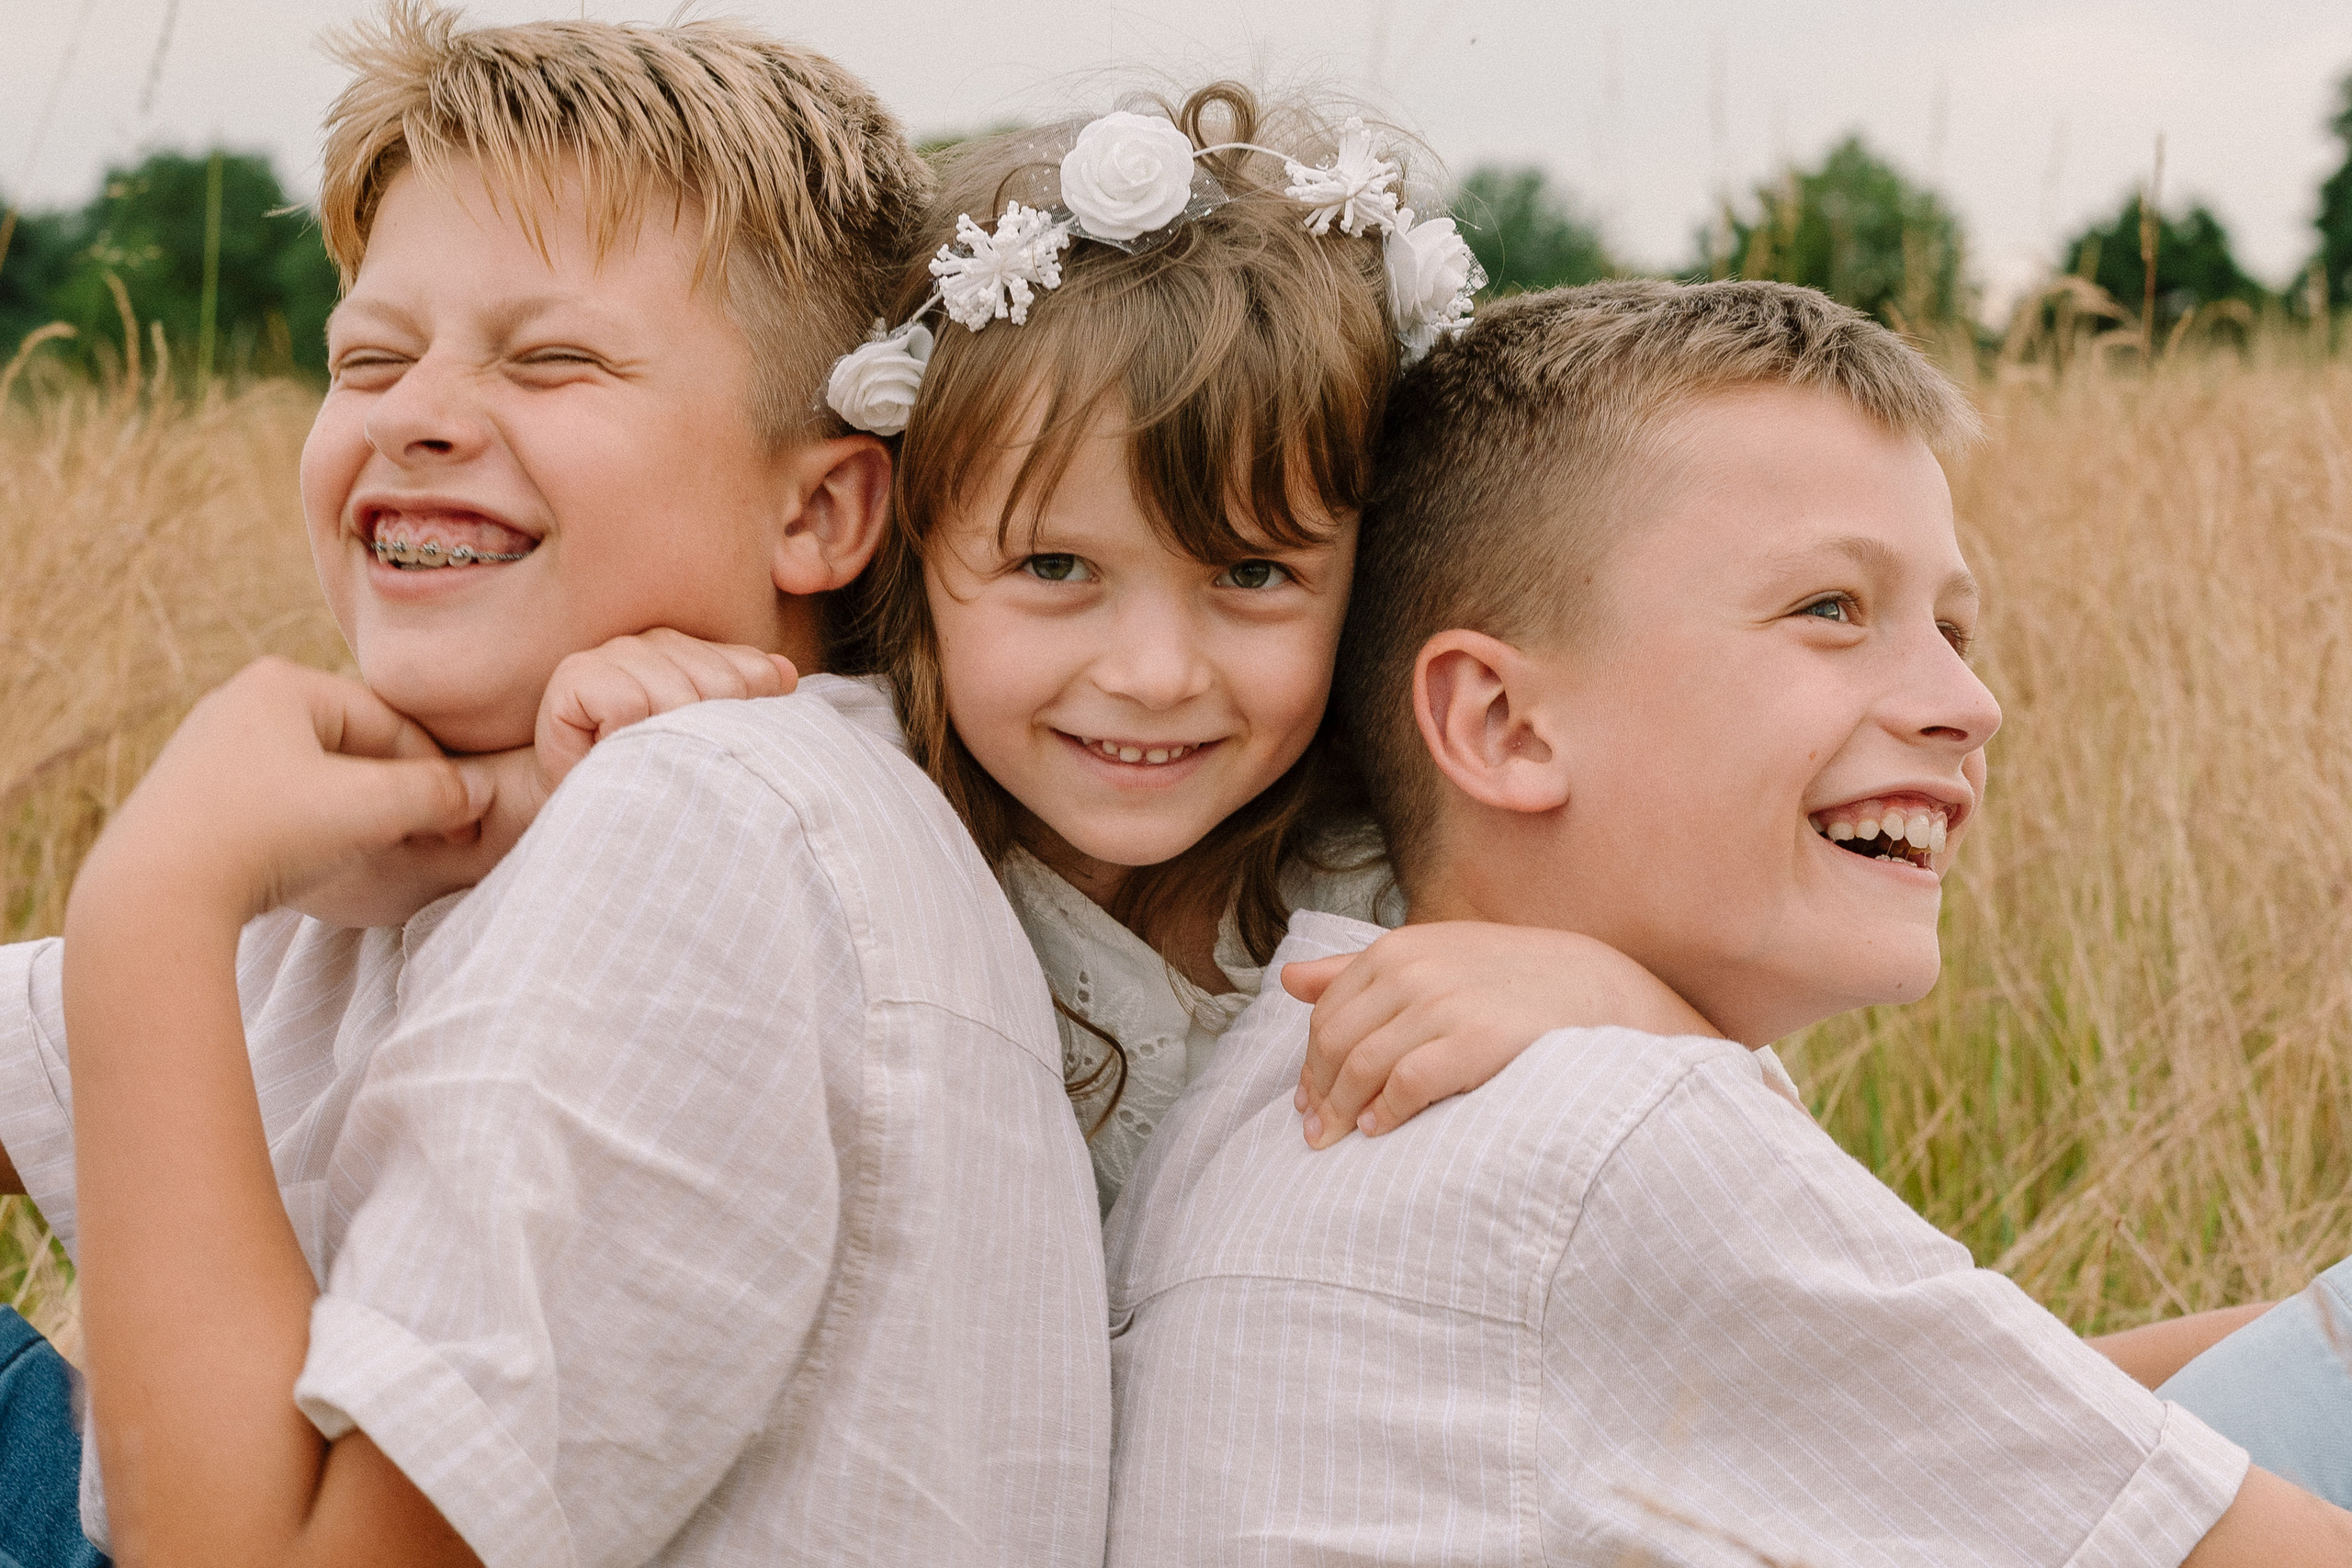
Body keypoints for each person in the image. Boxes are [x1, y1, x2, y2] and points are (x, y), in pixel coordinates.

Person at [4, 8, 1110, 1565]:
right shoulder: (505, 820)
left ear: (821, 510)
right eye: (369, 357)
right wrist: (430, 829)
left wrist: (155, 899)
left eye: (554, 358)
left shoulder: (706, 828)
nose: (418, 410)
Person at [1102, 279, 2352, 1565]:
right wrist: (1662, 1057)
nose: (1968, 701)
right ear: (1502, 724)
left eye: (1956, 627)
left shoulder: (1281, 1059)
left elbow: (1936, 1399)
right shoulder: (1624, 1133)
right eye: (1830, 609)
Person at [828, 88, 1709, 1217]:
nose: (1153, 675)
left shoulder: (1407, 875)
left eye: (1250, 574)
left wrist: (1608, 994)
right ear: (914, 540)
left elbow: (1727, 1136)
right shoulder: (843, 816)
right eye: (1054, 569)